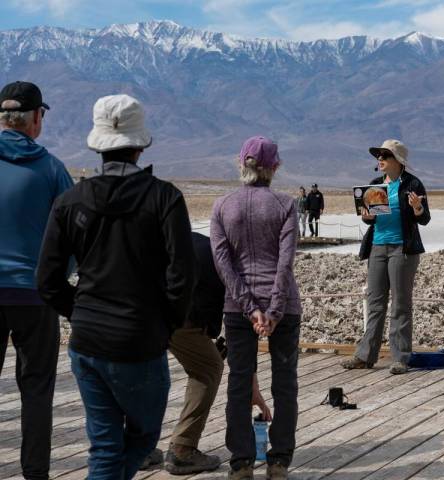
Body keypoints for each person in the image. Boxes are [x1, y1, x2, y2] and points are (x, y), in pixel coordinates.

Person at [36, 94, 196, 479]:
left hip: (88, 342)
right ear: (140, 145)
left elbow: (47, 279)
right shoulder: (164, 198)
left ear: (97, 144)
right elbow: (182, 275)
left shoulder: (70, 201)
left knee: (105, 446)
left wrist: (83, 310)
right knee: (142, 437)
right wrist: (164, 322)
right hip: (141, 339)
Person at [141, 232, 272, 474]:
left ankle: (137, 448)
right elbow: (240, 328)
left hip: (134, 306)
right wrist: (252, 385)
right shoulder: (233, 266)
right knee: (208, 368)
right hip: (174, 314)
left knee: (146, 371)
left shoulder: (198, 242)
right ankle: (182, 450)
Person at [210, 136, 301, 480]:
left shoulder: (222, 206)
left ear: (241, 163)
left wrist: (250, 308)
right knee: (285, 383)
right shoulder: (285, 205)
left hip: (237, 308)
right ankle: (278, 462)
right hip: (284, 310)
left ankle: (241, 463)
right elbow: (285, 262)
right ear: (275, 167)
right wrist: (274, 310)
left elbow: (223, 263)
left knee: (238, 381)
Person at [0, 81, 74, 480]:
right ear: (35, 119)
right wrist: (57, 279)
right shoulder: (51, 169)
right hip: (33, 296)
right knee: (36, 388)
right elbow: (76, 232)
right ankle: (35, 474)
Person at [342, 139, 431, 375]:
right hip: (377, 248)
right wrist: (367, 216)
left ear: (398, 160)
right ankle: (365, 355)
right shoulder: (374, 185)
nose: (379, 159)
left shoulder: (413, 184)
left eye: (385, 155)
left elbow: (424, 219)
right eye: (378, 156)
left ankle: (400, 357)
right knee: (375, 302)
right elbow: (369, 219)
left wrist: (416, 208)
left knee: (401, 303)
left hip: (402, 249)